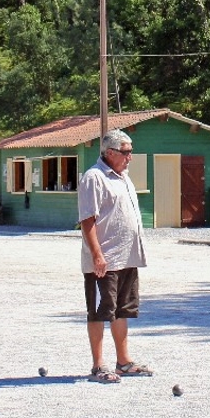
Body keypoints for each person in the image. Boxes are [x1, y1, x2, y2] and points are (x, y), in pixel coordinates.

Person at [78, 128, 152, 383]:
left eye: (131, 151)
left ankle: (123, 362)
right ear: (110, 153)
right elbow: (87, 220)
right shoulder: (94, 178)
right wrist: (97, 256)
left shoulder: (123, 177)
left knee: (123, 311)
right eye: (126, 152)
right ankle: (99, 366)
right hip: (104, 261)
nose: (130, 157)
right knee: (100, 311)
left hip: (127, 258)